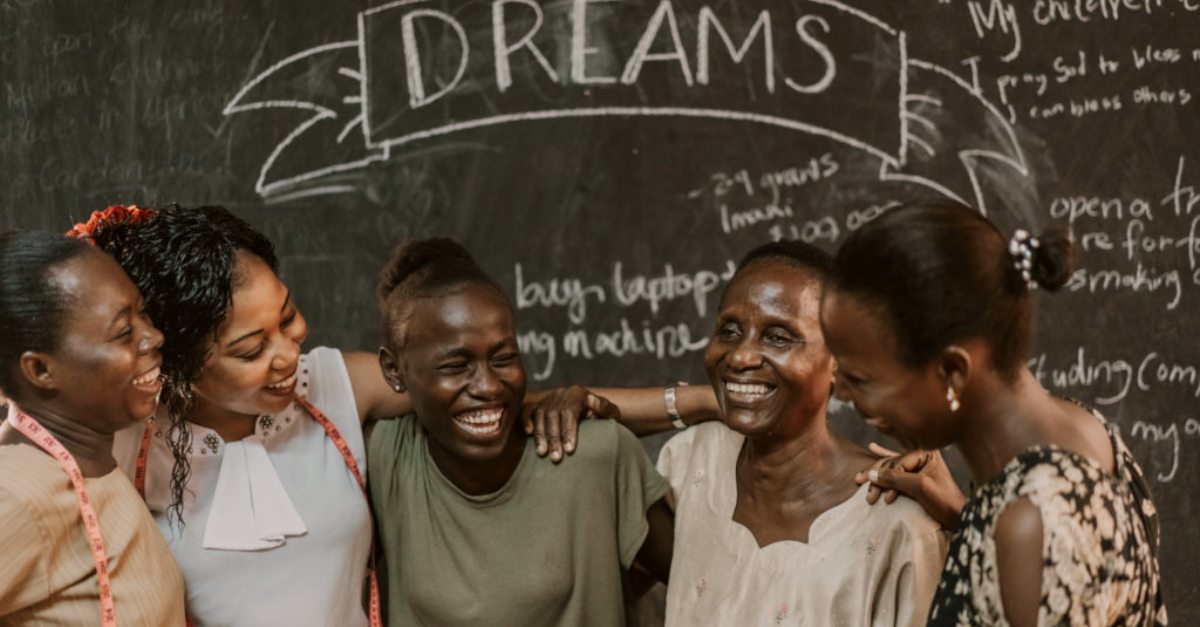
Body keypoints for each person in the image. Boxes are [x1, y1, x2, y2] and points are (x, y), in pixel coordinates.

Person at [72, 203, 696, 626]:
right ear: (179, 366)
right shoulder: (124, 445)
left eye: (287, 317)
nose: (289, 352)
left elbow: (474, 397)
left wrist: (688, 401)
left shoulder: (332, 387)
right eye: (250, 348)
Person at [821, 201, 1167, 627]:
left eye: (860, 378)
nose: (837, 390)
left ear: (951, 370)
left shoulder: (1035, 525)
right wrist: (968, 519)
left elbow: (1045, 550)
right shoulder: (1078, 427)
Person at [367, 238, 675, 626]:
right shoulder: (383, 461)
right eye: (455, 366)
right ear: (394, 371)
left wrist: (705, 402)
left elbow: (706, 584)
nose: (489, 386)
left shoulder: (594, 455)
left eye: (503, 358)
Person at [650, 240, 946, 626]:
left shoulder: (896, 524)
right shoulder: (691, 461)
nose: (740, 356)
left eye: (778, 337)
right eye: (729, 330)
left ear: (840, 365)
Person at [0, 231, 185, 625]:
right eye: (123, 332)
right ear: (41, 370)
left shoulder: (92, 464)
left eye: (143, 314)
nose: (154, 336)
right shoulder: (17, 493)